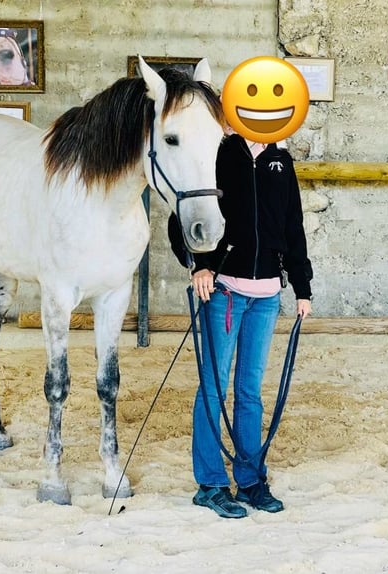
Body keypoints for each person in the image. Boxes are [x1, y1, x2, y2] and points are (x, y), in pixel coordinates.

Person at [168, 132, 313, 519]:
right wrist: (197, 263)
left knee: (249, 391)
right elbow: (182, 214)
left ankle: (250, 481)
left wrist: (303, 287)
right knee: (213, 390)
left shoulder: (280, 161)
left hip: (267, 295)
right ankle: (211, 484)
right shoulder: (218, 154)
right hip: (225, 290)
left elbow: (293, 224)